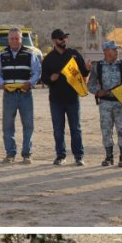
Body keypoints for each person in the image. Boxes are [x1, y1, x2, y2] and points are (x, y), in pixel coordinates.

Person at [40, 29, 90, 166]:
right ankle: (60, 155)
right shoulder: (49, 58)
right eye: (61, 39)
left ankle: (79, 156)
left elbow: (83, 72)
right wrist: (51, 78)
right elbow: (43, 77)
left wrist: (87, 68)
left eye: (65, 38)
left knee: (76, 128)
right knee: (58, 129)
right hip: (56, 100)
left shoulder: (73, 54)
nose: (64, 41)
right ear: (54, 41)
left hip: (72, 98)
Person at [0, 28, 41, 164]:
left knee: (28, 124)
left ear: (21, 39)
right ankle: (10, 154)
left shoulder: (29, 53)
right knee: (7, 125)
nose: (14, 41)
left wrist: (31, 83)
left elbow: (37, 71)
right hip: (8, 95)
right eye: (12, 38)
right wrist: (1, 83)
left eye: (17, 38)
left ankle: (27, 154)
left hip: (25, 94)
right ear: (8, 40)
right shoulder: (2, 54)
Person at [88, 41, 122, 167]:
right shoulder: (98, 66)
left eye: (116, 49)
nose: (116, 51)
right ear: (106, 51)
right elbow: (90, 84)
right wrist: (97, 92)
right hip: (105, 104)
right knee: (106, 131)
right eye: (114, 49)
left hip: (120, 103)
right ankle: (109, 157)